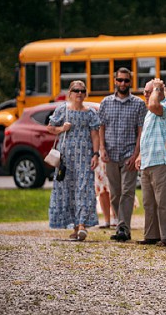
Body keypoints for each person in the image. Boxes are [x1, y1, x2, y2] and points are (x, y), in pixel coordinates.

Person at [47, 80, 100, 241]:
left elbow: (95, 134)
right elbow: (50, 127)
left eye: (82, 91)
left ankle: (83, 224)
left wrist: (96, 154)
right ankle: (75, 226)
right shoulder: (62, 110)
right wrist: (61, 128)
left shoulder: (90, 112)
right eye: (76, 90)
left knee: (84, 189)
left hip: (84, 156)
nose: (79, 93)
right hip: (66, 158)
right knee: (67, 190)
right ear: (70, 93)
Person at [99, 67, 147, 242]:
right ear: (115, 81)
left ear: (130, 82)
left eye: (126, 80)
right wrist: (102, 149)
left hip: (129, 154)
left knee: (127, 192)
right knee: (115, 193)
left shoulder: (139, 104)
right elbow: (101, 127)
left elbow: (141, 132)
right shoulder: (105, 103)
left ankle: (123, 229)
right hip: (110, 154)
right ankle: (119, 224)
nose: (123, 83)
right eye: (120, 80)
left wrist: (136, 154)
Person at [135, 79, 166, 246]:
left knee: (163, 201)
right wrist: (140, 155)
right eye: (145, 92)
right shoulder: (149, 111)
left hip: (162, 160)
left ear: (159, 91)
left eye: (149, 91)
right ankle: (151, 235)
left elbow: (154, 105)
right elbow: (147, 136)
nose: (146, 94)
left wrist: (157, 88)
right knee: (148, 202)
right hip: (148, 160)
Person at [95, 158, 118, 229]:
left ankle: (116, 218)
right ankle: (107, 220)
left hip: (112, 155)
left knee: (113, 188)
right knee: (102, 189)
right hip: (100, 158)